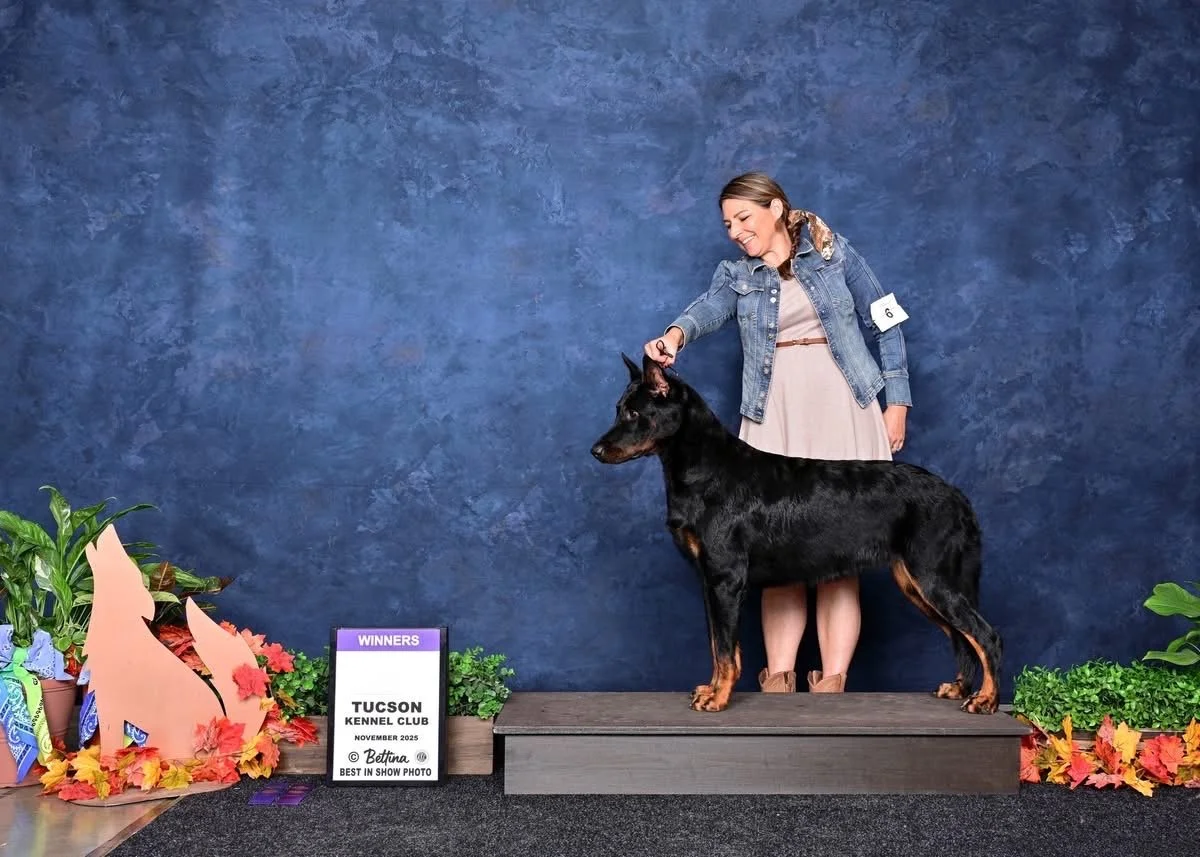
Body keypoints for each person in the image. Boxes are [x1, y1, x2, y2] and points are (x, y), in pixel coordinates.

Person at [642, 171, 912, 694]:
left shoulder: (835, 253)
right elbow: (707, 310)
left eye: (744, 217)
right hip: (774, 408)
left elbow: (887, 319)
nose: (736, 231)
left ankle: (832, 679)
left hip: (844, 400)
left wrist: (897, 401)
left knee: (843, 547)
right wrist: (674, 334)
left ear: (777, 208)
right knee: (771, 549)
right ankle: (779, 678)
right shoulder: (736, 274)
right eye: (727, 224)